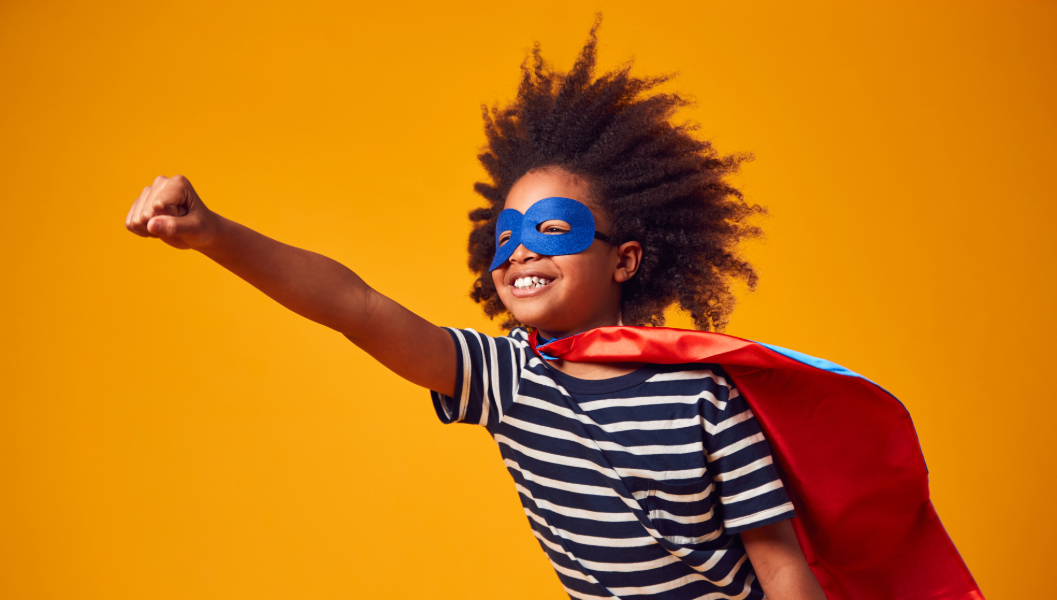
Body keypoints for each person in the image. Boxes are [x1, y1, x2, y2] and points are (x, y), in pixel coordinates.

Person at [124, 20, 981, 600]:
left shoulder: (704, 396)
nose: (521, 252)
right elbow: (356, 306)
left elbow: (781, 566)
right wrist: (215, 234)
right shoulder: (509, 380)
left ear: (625, 259)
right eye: (506, 237)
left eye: (553, 230)